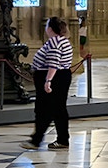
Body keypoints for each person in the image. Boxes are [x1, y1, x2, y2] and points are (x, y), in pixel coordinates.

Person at [21, 18, 74, 150]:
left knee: (44, 109)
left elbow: (54, 63)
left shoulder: (54, 42)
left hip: (54, 78)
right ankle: (61, 139)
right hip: (61, 76)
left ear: (50, 29)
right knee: (57, 109)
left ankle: (37, 140)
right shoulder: (63, 40)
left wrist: (48, 81)